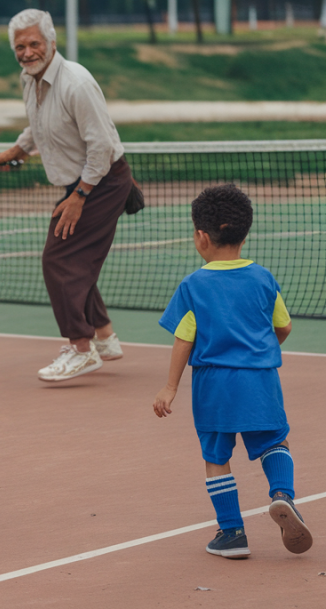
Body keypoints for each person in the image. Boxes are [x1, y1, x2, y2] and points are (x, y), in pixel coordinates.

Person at [153, 184, 311, 559]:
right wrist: (260, 350)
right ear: (244, 233)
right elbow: (284, 327)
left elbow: (183, 340)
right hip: (260, 380)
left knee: (216, 455)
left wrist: (170, 387)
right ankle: (282, 495)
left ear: (202, 236)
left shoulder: (193, 286)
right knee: (275, 440)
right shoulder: (263, 278)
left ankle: (232, 533)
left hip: (213, 385)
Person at [0, 9, 132, 382]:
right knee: (76, 259)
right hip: (81, 183)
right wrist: (17, 150)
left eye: (34, 43)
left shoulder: (76, 83)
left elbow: (100, 146)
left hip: (102, 181)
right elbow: (40, 124)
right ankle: (104, 337)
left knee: (58, 260)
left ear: (52, 43)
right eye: (20, 46)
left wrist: (80, 195)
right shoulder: (29, 79)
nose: (27, 52)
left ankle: (81, 348)